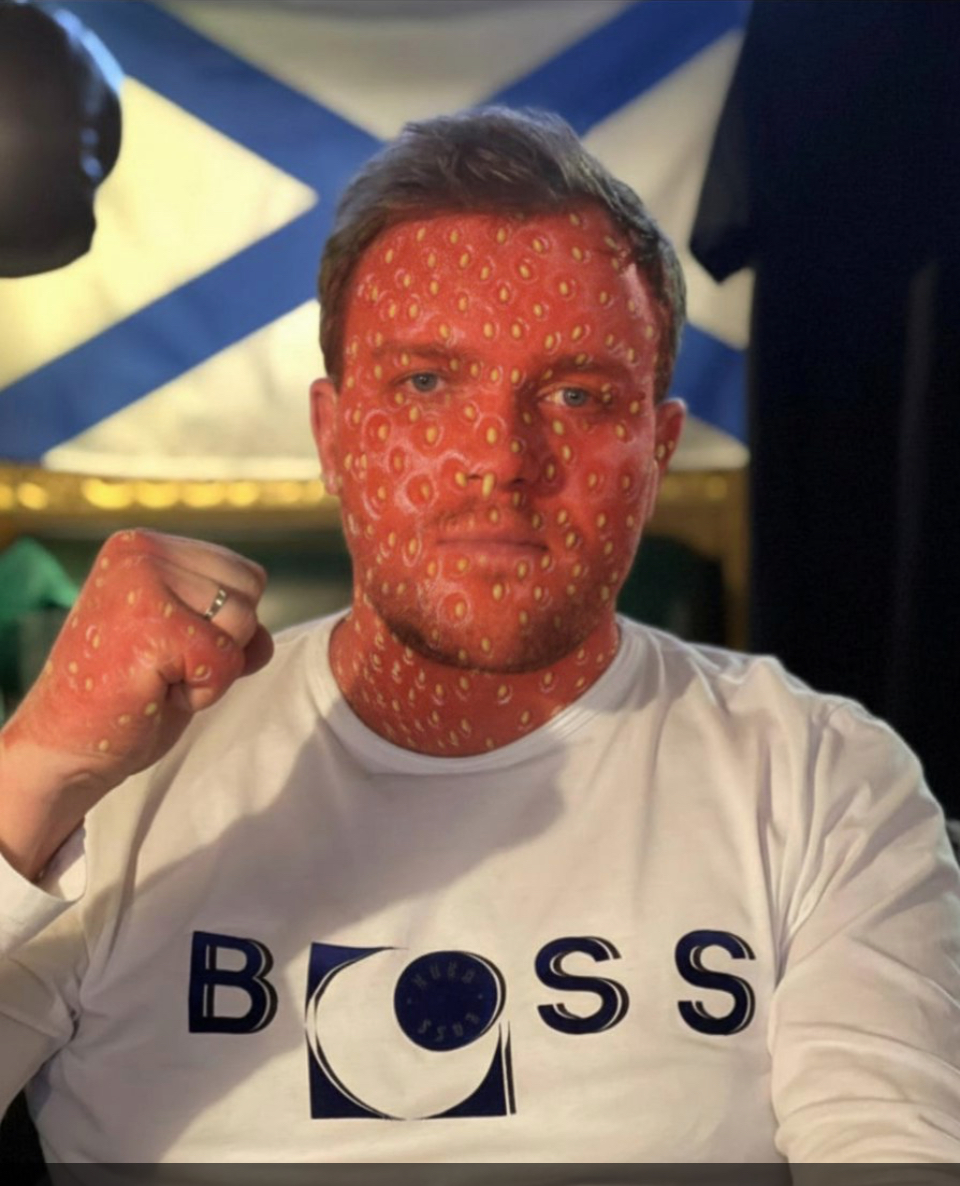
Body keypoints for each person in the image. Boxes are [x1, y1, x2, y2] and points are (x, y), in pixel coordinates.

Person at [0, 107, 958, 1165]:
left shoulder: (823, 781)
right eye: (425, 383)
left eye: (579, 395)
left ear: (658, 450)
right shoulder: (116, 785)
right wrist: (35, 769)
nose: (500, 459)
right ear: (333, 435)